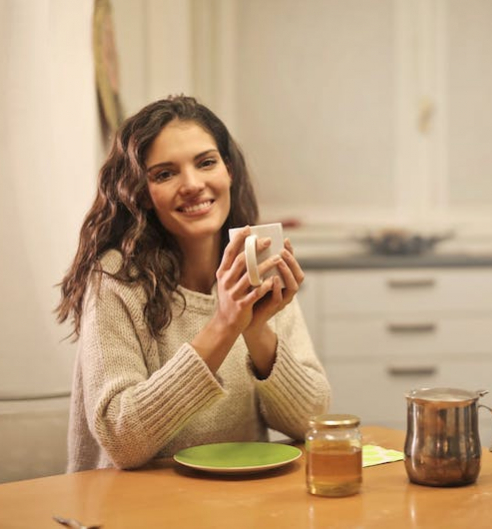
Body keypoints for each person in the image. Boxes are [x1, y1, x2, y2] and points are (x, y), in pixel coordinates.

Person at [57, 95, 331, 471]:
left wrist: (256, 330)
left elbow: (310, 420)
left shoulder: (257, 266)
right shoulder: (116, 279)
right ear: (143, 193)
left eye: (206, 163)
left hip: (239, 505)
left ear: (228, 170)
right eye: (165, 174)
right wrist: (223, 326)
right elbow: (121, 440)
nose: (192, 184)